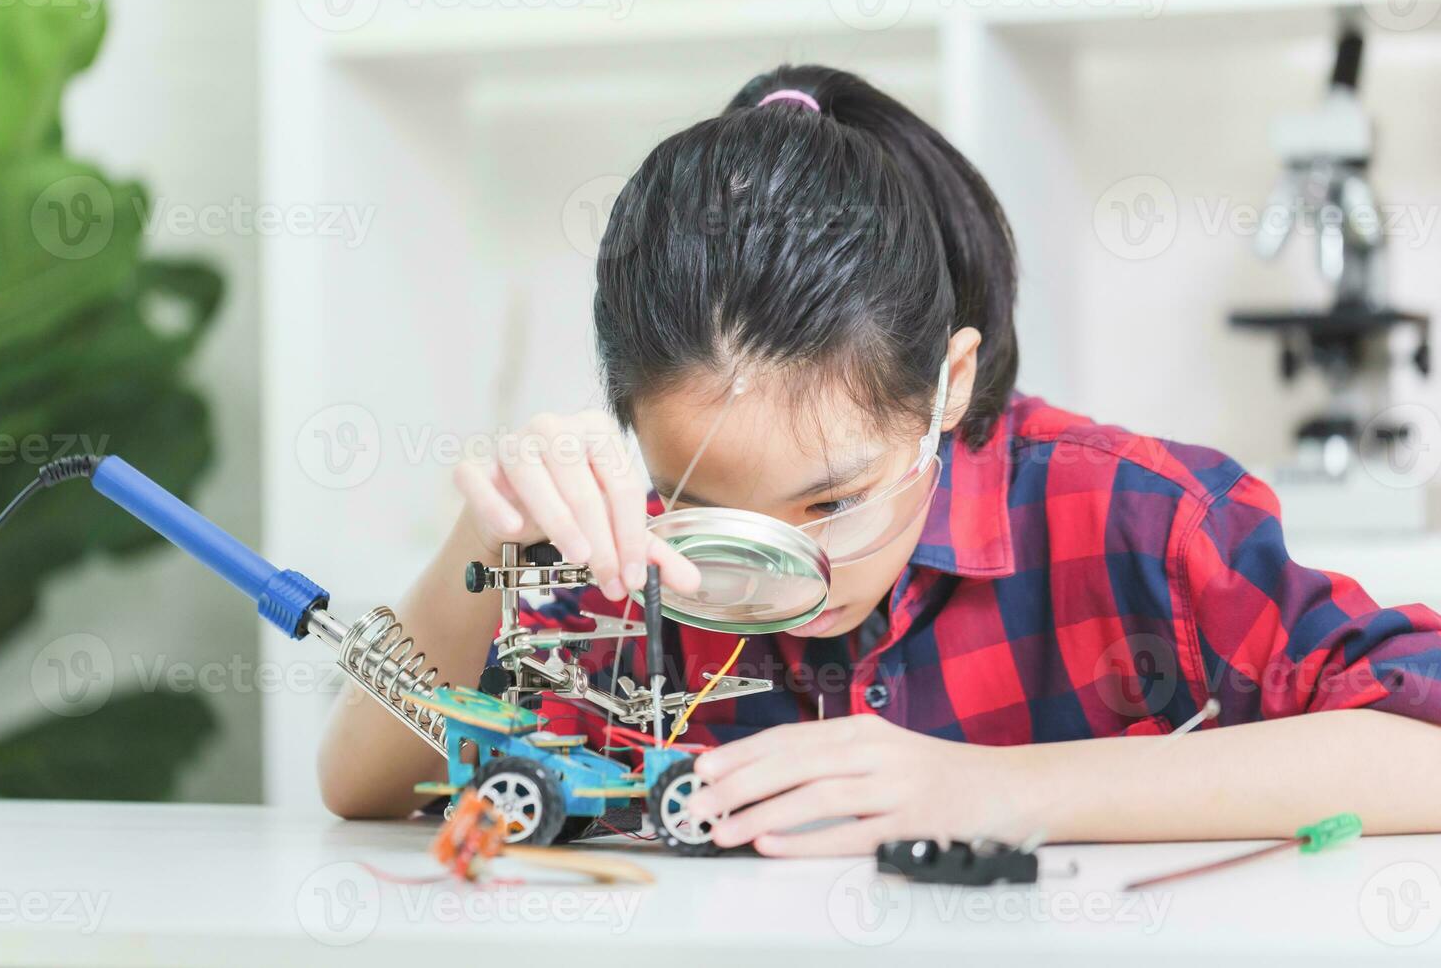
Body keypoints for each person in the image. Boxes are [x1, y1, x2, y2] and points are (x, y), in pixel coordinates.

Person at [319, 65, 1441, 855]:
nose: (775, 572)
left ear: (948, 387)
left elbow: (1421, 743)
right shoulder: (631, 552)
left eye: (833, 500)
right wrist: (493, 532)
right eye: (709, 506)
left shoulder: (1133, 516)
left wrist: (989, 789)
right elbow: (361, 782)